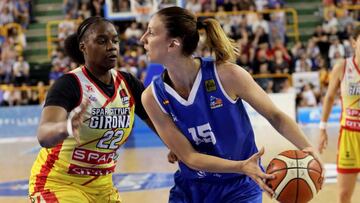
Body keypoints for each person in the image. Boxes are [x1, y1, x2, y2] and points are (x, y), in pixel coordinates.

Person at [140, 6, 324, 203]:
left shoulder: (228, 75)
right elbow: (190, 158)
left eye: (151, 32)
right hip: (192, 188)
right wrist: (241, 165)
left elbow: (275, 116)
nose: (143, 39)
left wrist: (308, 147)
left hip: (241, 186)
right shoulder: (151, 97)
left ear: (173, 44)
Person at [28, 16, 152, 202]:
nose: (112, 46)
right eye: (102, 41)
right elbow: (44, 135)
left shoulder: (129, 83)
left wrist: (176, 148)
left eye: (115, 41)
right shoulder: (69, 84)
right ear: (83, 46)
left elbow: (161, 124)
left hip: (103, 188)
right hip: (57, 183)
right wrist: (66, 127)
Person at [318, 26, 360, 203]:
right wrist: (322, 128)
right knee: (343, 195)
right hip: (349, 135)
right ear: (354, 42)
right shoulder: (342, 67)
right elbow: (328, 98)